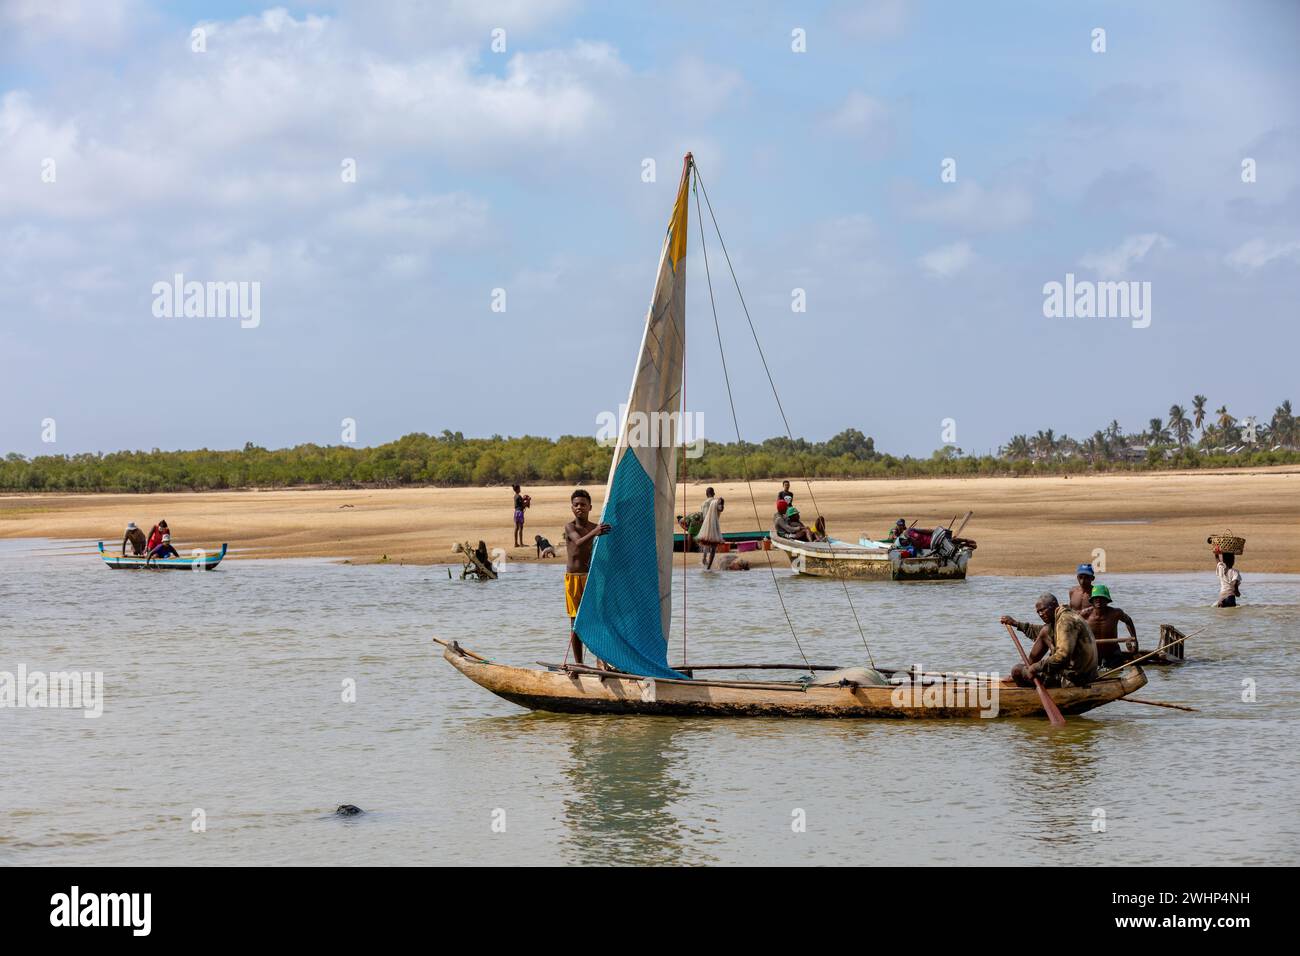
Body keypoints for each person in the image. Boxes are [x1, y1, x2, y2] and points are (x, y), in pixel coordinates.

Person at [1000, 593, 1098, 688]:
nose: (1041, 614)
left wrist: (1035, 668)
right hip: (1085, 673)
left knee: (1016, 671)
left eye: (1043, 610)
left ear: (1054, 605)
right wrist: (1015, 623)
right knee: (1045, 631)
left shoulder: (1065, 621)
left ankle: (1030, 693)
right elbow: (1040, 631)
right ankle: (1028, 669)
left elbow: (1062, 656)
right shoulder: (1063, 616)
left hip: (1076, 678)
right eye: (1038, 612)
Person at [564, 489, 610, 665]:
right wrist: (596, 532)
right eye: (576, 505)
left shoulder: (594, 527)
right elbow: (578, 542)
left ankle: (601, 660)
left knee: (596, 619)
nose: (579, 508)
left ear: (590, 507)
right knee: (575, 622)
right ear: (572, 508)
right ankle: (579, 663)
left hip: (591, 578)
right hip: (574, 579)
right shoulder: (570, 527)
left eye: (583, 504)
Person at [1081, 584, 1138, 665]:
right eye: (1096, 598)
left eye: (1102, 598)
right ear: (1092, 601)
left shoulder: (1115, 613)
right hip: (1093, 654)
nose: (1099, 601)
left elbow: (1128, 621)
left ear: (1107, 600)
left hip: (1112, 653)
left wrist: (1135, 640)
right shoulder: (1085, 614)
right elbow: (1073, 628)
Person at [696, 487, 725, 569]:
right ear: (714, 493)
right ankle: (708, 567)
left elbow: (701, 517)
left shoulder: (703, 503)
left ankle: (704, 558)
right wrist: (722, 502)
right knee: (713, 545)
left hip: (705, 526)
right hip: (713, 526)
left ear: (706, 494)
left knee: (706, 541)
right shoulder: (715, 502)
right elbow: (721, 509)